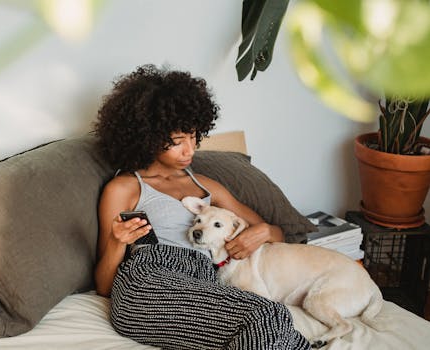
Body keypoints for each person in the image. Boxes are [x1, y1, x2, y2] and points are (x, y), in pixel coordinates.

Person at [93, 64, 310, 350]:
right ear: (147, 137)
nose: (190, 150)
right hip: (146, 282)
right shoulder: (124, 188)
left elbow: (274, 235)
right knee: (267, 313)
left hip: (204, 281)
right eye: (177, 142)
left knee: (279, 325)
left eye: (194, 137)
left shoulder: (207, 185)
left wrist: (264, 231)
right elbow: (104, 285)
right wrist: (117, 242)